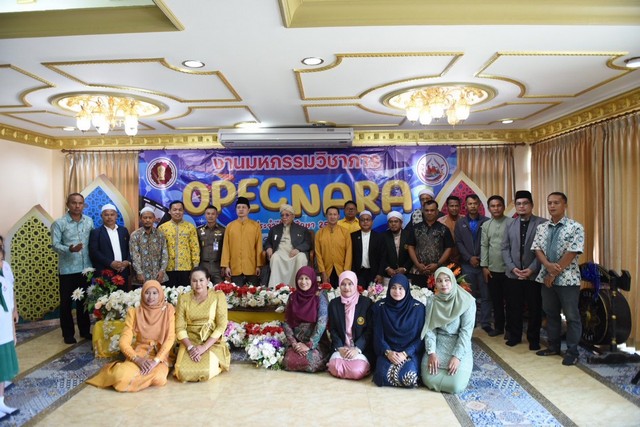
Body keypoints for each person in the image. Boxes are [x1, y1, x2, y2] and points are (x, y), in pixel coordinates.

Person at [86, 280, 176, 392]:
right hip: (139, 353)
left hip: (160, 355)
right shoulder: (134, 312)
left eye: (154, 293)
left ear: (160, 294)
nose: (150, 297)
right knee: (120, 376)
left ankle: (138, 378)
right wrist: (137, 359)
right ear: (142, 294)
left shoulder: (168, 310)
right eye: (147, 293)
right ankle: (121, 372)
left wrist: (155, 361)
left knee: (159, 378)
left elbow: (170, 338)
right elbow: (123, 341)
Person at [532, 192, 585, 366]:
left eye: (556, 202)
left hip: (568, 279)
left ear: (565, 205)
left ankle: (572, 351)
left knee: (572, 316)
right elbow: (537, 249)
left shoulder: (575, 227)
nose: (552, 206)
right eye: (549, 203)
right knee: (551, 313)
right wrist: (548, 266)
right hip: (546, 277)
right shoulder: (542, 227)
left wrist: (553, 273)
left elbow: (572, 252)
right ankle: (553, 346)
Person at [502, 190, 547, 349]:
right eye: (518, 204)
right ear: (515, 206)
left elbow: (544, 249)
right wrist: (513, 268)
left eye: (525, 203)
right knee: (514, 307)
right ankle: (515, 336)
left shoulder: (542, 223)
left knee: (535, 308)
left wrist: (531, 269)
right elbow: (505, 249)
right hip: (513, 275)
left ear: (532, 205)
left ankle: (533, 339)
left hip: (533, 275)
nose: (522, 206)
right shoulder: (510, 224)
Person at [421, 267, 476, 394]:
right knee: (428, 379)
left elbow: (466, 332)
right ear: (435, 283)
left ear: (452, 280)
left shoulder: (467, 301)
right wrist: (432, 352)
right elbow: (430, 329)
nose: (443, 284)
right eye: (439, 281)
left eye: (447, 280)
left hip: (459, 343)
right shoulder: (432, 301)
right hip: (439, 343)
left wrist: (457, 356)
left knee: (455, 385)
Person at [51, 192, 94, 344]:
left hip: (86, 269)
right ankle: (68, 334)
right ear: (67, 204)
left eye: (80, 203)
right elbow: (55, 245)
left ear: (83, 205)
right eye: (74, 203)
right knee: (66, 304)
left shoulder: (89, 221)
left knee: (84, 302)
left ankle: (85, 331)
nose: (77, 206)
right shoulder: (59, 223)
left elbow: (93, 242)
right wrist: (69, 249)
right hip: (67, 270)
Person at [174, 266, 230, 381]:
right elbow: (179, 327)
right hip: (190, 341)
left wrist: (203, 347)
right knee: (182, 373)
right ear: (190, 281)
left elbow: (221, 325)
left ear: (208, 280)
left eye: (201, 280)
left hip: (211, 341)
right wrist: (190, 348)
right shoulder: (183, 298)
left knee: (205, 371)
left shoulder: (218, 296)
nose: (198, 284)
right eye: (194, 281)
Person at [371, 274, 425, 387]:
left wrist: (405, 353)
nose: (397, 291)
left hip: (410, 353)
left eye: (401, 288)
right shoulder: (380, 307)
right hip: (388, 352)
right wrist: (388, 352)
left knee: (409, 377)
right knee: (380, 376)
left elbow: (421, 337)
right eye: (393, 287)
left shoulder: (418, 308)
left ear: (406, 289)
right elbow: (378, 336)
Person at [282, 266, 331, 372]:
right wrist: (294, 343)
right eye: (300, 278)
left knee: (311, 362)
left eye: (307, 278)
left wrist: (309, 345)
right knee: (288, 362)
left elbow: (322, 322)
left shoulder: (320, 296)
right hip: (298, 342)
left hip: (317, 343)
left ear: (313, 279)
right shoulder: (293, 297)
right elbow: (286, 322)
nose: (303, 282)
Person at [455, 194, 491, 333]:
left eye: (475, 203)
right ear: (466, 206)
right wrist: (469, 258)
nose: (473, 206)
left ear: (479, 205)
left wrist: (481, 258)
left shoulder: (487, 221)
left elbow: (490, 243)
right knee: (469, 296)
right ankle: (471, 321)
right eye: (470, 204)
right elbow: (459, 242)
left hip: (484, 265)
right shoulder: (461, 223)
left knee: (486, 295)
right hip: (467, 265)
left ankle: (486, 322)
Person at [327, 271, 373, 380]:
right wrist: (340, 347)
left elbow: (369, 331)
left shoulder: (366, 303)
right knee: (334, 367)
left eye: (350, 284)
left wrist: (357, 349)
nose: (346, 287)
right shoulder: (334, 304)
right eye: (343, 284)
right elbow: (332, 329)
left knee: (357, 370)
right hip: (341, 348)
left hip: (360, 349)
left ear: (356, 284)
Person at [480, 195, 513, 338]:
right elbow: (484, 246)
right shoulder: (486, 225)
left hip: (510, 270)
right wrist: (484, 266)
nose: (496, 208)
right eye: (493, 206)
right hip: (492, 269)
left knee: (511, 301)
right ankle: (499, 327)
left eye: (499, 205)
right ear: (489, 208)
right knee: (496, 300)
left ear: (503, 207)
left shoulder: (512, 223)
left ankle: (510, 329)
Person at [407, 200, 454, 287]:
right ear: (423, 211)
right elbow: (410, 247)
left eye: (432, 210)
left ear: (437, 212)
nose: (429, 213)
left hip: (439, 271)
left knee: (439, 294)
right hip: (418, 271)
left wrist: (438, 264)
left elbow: (449, 248)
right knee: (418, 294)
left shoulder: (444, 229)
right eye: (427, 210)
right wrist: (417, 264)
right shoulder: (416, 228)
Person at [264, 204, 311, 287]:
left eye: (287, 215)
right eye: (282, 215)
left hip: (295, 253)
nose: (284, 217)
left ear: (293, 216)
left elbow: (307, 243)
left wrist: (298, 249)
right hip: (280, 253)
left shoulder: (302, 229)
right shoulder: (274, 229)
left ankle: (298, 287)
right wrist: (269, 248)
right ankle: (275, 288)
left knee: (301, 258)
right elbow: (268, 242)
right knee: (274, 257)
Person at [221, 197, 263, 286]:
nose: (241, 209)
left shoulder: (255, 226)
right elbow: (226, 247)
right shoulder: (230, 226)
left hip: (251, 267)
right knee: (236, 293)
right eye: (238, 207)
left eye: (243, 207)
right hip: (235, 267)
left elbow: (259, 247)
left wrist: (259, 265)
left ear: (248, 210)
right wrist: (226, 266)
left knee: (253, 293)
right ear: (236, 210)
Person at [158, 201, 199, 287]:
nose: (177, 212)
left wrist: (195, 267)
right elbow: (159, 249)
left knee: (185, 293)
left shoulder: (190, 227)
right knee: (169, 293)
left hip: (186, 268)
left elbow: (195, 248)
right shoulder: (162, 228)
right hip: (168, 268)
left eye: (180, 210)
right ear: (169, 211)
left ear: (183, 211)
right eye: (175, 210)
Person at [0, 237, 19, 418]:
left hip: (4, 332)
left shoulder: (4, 280)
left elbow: (9, 304)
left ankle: (1, 403)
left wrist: (13, 331)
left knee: (3, 367)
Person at [89, 204, 131, 283]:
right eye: (106, 215)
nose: (109, 217)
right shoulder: (96, 232)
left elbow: (130, 248)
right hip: (105, 272)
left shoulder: (123, 231)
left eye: (112, 214)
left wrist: (127, 261)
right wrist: (110, 263)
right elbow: (94, 252)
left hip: (122, 271)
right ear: (101, 216)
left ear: (116, 216)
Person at [129, 207, 169, 286]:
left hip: (158, 276)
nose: (147, 220)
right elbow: (134, 255)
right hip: (141, 277)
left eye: (150, 218)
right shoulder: (135, 235)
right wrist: (139, 272)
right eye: (145, 218)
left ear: (154, 219)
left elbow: (164, 254)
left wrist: (162, 271)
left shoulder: (160, 234)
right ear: (141, 219)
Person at [315, 206, 352, 288]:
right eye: (330, 214)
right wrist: (323, 272)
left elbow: (349, 253)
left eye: (335, 214)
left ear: (338, 216)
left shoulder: (345, 232)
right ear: (326, 216)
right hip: (326, 271)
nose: (332, 217)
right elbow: (318, 254)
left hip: (341, 270)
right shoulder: (319, 233)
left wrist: (346, 272)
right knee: (327, 293)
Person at [351, 210, 384, 287]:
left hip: (374, 273)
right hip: (358, 273)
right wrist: (352, 273)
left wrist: (380, 274)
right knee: (359, 292)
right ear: (359, 222)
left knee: (373, 293)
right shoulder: (353, 236)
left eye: (367, 220)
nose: (365, 222)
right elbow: (350, 256)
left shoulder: (379, 237)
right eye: (362, 220)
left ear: (372, 222)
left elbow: (383, 257)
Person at [380, 211, 413, 284]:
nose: (393, 224)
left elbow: (412, 255)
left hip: (406, 274)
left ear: (401, 223)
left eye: (396, 221)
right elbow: (380, 255)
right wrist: (387, 268)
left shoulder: (409, 235)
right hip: (388, 274)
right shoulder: (383, 236)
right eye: (391, 222)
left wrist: (404, 268)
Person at [197, 205, 226, 284]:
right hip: (203, 265)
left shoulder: (223, 230)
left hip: (218, 266)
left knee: (220, 288)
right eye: (208, 214)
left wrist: (224, 266)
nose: (210, 216)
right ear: (205, 215)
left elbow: (226, 249)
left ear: (217, 215)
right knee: (202, 288)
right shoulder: (199, 230)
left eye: (213, 214)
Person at [438, 195, 461, 263]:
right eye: (451, 206)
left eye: (456, 206)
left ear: (459, 206)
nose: (454, 208)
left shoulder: (465, 221)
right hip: (444, 258)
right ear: (447, 207)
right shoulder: (440, 221)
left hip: (463, 258)